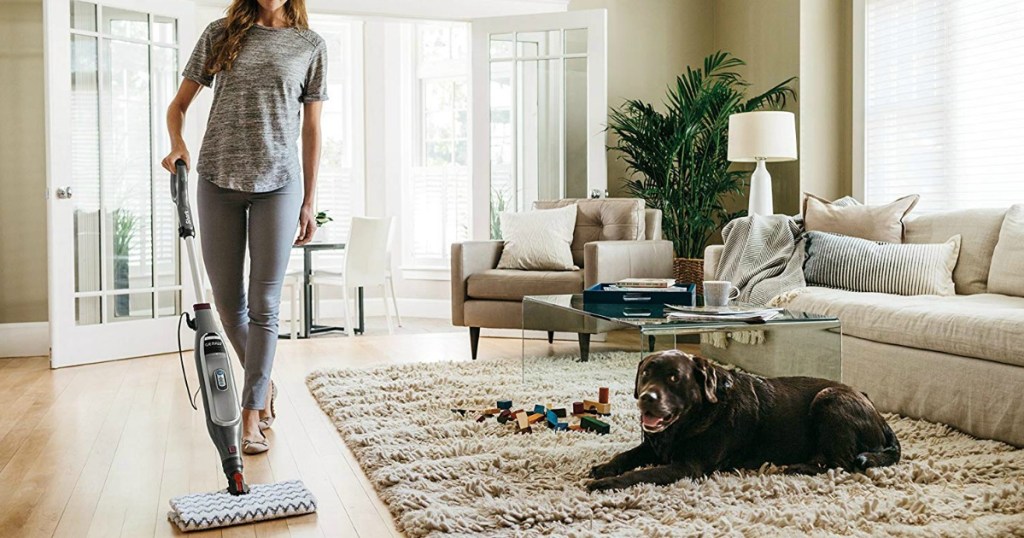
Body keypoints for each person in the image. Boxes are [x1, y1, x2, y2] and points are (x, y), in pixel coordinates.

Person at [160, 0, 327, 454]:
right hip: (216, 178)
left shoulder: (309, 45)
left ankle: (251, 414)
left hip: (279, 183)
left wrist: (309, 199)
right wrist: (178, 145)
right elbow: (179, 106)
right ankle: (265, 383)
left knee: (264, 303)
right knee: (228, 304)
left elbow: (312, 128)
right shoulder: (220, 33)